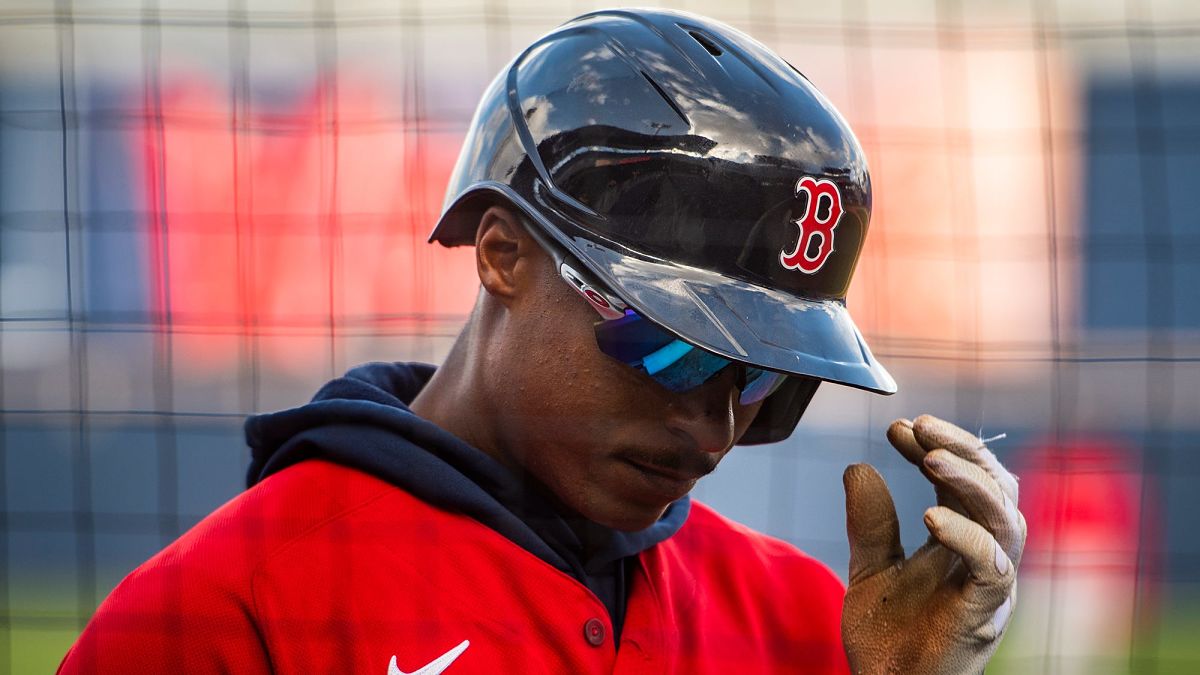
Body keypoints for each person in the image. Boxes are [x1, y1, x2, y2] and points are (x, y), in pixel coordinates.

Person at [59, 8, 1025, 674]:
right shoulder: (236, 603)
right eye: (676, 342)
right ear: (502, 252)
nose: (713, 429)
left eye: (764, 378)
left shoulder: (810, 624)